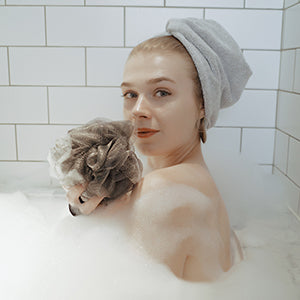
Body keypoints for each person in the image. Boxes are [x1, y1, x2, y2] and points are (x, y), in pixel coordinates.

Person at [66, 18, 252, 282]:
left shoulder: (165, 193)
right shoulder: (187, 181)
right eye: (130, 94)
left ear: (203, 105)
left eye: (162, 92)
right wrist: (82, 206)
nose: (138, 109)